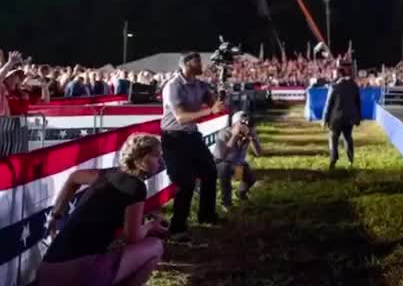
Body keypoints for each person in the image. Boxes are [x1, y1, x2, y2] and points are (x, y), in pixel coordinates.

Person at [38, 133, 167, 286]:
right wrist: (151, 226)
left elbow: (74, 177)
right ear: (141, 158)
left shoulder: (107, 174)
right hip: (78, 272)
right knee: (155, 246)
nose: (160, 161)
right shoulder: (136, 187)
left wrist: (56, 214)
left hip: (46, 272)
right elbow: (132, 237)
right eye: (156, 156)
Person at [160, 52, 226, 240]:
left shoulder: (200, 84)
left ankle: (206, 215)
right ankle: (178, 227)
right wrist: (210, 109)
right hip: (174, 138)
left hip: (191, 135)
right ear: (186, 64)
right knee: (185, 182)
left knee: (210, 173)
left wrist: (221, 88)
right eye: (197, 62)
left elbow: (216, 105)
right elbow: (181, 117)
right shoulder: (173, 86)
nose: (201, 65)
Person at [214, 111, 261, 211]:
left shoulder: (249, 133)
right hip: (221, 165)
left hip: (237, 166)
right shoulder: (224, 133)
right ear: (234, 124)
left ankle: (241, 193)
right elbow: (221, 156)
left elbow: (258, 153)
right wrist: (234, 136)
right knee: (224, 167)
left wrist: (253, 138)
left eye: (246, 124)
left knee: (250, 178)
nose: (244, 126)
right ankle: (226, 203)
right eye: (242, 123)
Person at [323, 62, 361, 169]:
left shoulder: (334, 87)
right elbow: (358, 103)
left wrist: (325, 119)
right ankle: (351, 160)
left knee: (333, 138)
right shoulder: (354, 86)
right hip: (349, 118)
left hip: (336, 119)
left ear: (339, 74)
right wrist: (358, 118)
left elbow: (328, 104)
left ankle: (333, 160)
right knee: (348, 138)